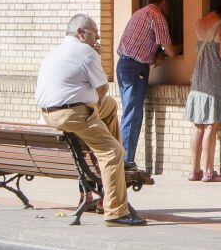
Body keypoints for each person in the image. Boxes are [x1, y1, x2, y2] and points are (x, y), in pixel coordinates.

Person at [36, 15, 151, 226]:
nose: (98, 37)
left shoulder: (55, 52)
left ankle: (119, 167)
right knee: (112, 151)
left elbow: (101, 99)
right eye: (94, 32)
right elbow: (102, 88)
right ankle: (115, 211)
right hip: (72, 114)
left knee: (110, 106)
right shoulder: (86, 52)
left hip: (48, 114)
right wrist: (95, 57)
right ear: (81, 32)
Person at [116, 0, 179, 169]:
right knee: (133, 114)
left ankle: (123, 157)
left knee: (128, 112)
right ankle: (125, 160)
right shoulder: (157, 17)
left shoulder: (139, 13)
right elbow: (170, 50)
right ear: (164, 3)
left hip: (122, 65)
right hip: (136, 69)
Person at [184, 0, 221, 182]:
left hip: (198, 77)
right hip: (215, 77)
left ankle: (194, 170)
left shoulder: (199, 22)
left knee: (197, 125)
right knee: (210, 127)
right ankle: (209, 171)